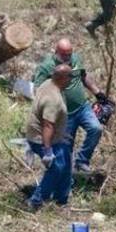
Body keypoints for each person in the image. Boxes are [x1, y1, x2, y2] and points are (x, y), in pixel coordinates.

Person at [32, 38, 106, 174]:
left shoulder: (76, 59)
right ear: (56, 52)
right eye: (64, 55)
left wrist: (97, 92)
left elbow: (83, 76)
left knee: (96, 129)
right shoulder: (46, 67)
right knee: (66, 147)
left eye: (69, 54)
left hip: (82, 107)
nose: (67, 57)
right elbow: (37, 89)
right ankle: (66, 176)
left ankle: (82, 161)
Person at [26, 63, 74, 211]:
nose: (72, 80)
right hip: (42, 139)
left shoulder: (49, 83)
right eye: (70, 77)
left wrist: (62, 133)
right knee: (56, 167)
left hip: (54, 137)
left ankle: (61, 199)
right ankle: (36, 201)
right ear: (62, 78)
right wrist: (47, 151)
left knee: (66, 163)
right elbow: (48, 125)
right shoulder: (53, 99)